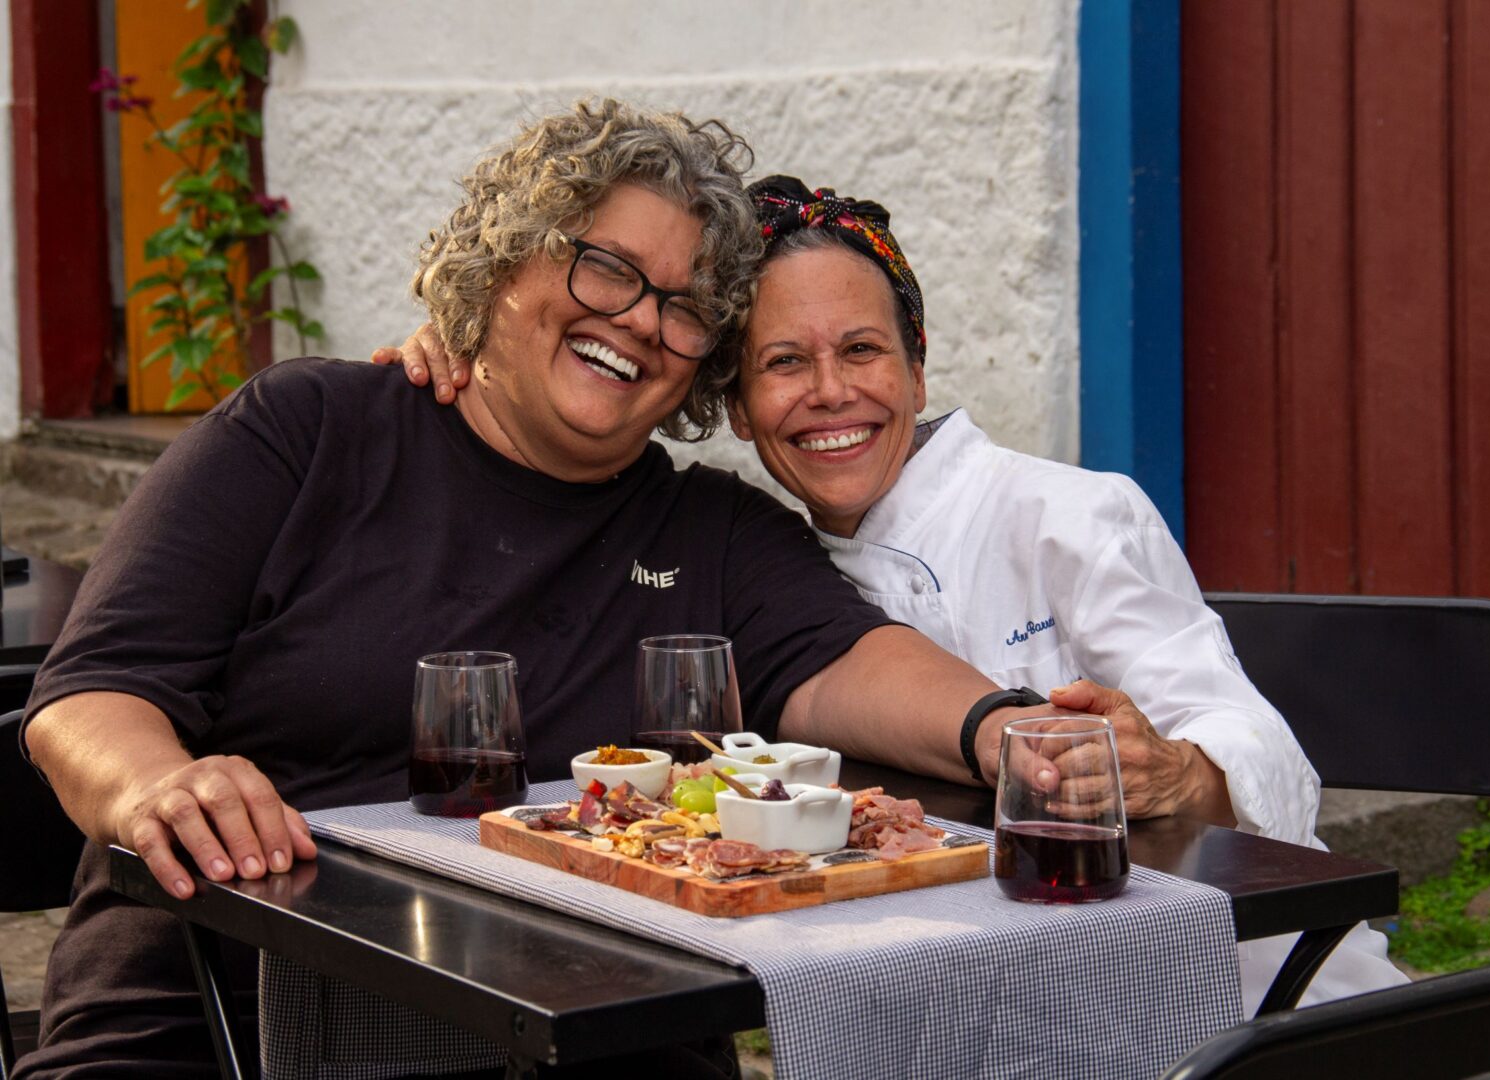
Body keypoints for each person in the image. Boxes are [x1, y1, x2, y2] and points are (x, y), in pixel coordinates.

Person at [17, 104, 1077, 1080]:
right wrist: (156, 785)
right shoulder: (306, 433)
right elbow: (92, 697)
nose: (640, 322)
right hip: (219, 1024)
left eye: (685, 308)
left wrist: (1010, 734)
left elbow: (847, 661)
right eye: (607, 269)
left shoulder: (708, 530)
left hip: (588, 1040)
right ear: (507, 260)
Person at [385, 174, 1409, 1016]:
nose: (830, 393)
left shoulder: (1068, 514)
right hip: (950, 996)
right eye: (783, 363)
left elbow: (1255, 740)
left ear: (918, 367)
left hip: (1230, 997)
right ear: (736, 409)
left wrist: (1182, 774)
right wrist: (458, 363)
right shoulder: (751, 561)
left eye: (863, 351)